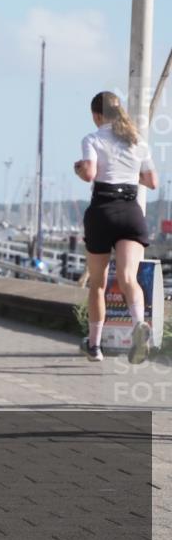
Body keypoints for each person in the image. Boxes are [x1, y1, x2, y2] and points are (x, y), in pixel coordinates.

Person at [75, 91, 158, 363]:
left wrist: (78, 168)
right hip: (131, 212)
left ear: (96, 115)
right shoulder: (137, 141)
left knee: (97, 284)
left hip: (102, 211)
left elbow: (89, 173)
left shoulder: (93, 138)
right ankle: (138, 325)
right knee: (128, 278)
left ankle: (95, 346)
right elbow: (152, 181)